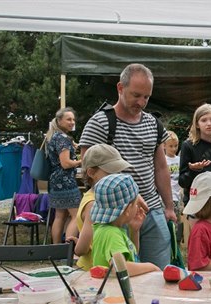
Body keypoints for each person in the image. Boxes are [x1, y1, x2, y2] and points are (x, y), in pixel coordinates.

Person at [79, 63, 176, 269]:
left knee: (159, 272)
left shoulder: (153, 123)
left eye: (146, 97)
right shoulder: (100, 123)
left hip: (152, 210)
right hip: (116, 215)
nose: (141, 102)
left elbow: (160, 167)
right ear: (120, 88)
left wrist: (168, 207)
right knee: (124, 274)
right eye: (136, 95)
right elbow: (88, 170)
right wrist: (128, 198)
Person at [74, 144, 137, 270]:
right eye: (112, 172)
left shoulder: (93, 197)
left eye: (119, 171)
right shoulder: (94, 204)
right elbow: (81, 250)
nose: (117, 176)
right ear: (91, 172)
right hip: (95, 271)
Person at [90, 173, 160, 276]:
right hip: (115, 291)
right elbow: (120, 268)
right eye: (136, 204)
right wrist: (151, 266)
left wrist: (135, 231)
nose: (137, 208)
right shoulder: (112, 234)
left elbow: (132, 257)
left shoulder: (107, 229)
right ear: (127, 209)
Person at [178, 103, 211, 210]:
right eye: (204, 120)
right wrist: (194, 170)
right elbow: (182, 182)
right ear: (197, 124)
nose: (209, 123)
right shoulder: (188, 146)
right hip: (195, 202)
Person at [45, 107, 82, 245]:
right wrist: (81, 161)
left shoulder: (53, 136)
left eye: (73, 119)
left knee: (60, 216)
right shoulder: (63, 138)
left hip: (55, 181)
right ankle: (67, 248)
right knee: (77, 215)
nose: (72, 122)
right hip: (66, 181)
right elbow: (66, 163)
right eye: (68, 119)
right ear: (59, 120)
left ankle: (56, 249)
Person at [164, 131, 182, 220]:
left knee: (176, 222)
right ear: (164, 146)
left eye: (176, 146)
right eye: (171, 146)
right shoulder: (163, 160)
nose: (174, 148)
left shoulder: (180, 160)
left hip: (177, 195)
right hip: (166, 197)